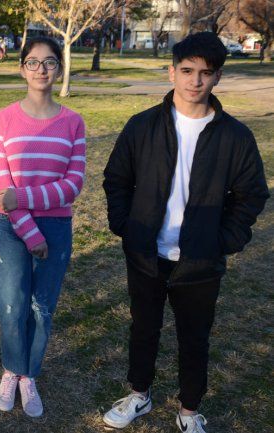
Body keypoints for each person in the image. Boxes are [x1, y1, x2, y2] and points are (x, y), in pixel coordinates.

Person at [102, 32, 269, 433]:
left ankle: (190, 409)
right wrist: (127, 227)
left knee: (195, 338)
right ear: (172, 71)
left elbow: (251, 195)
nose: (195, 81)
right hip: (146, 253)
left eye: (205, 73)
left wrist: (224, 240)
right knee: (143, 328)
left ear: (217, 79)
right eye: (187, 70)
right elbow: (117, 179)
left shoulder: (235, 136)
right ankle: (139, 394)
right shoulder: (142, 126)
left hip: (200, 260)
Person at [0, 37, 86, 418]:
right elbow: (2, 185)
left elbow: (73, 185)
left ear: (58, 68)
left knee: (42, 307)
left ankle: (30, 374)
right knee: (12, 305)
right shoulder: (4, 118)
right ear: (21, 68)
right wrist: (29, 231)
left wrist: (24, 202)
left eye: (49, 62)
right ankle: (12, 369)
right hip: (11, 228)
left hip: (57, 226)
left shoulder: (73, 121)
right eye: (33, 62)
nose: (41, 70)